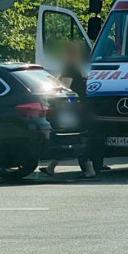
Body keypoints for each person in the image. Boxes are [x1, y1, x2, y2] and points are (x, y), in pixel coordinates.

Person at [40, 40, 97, 179]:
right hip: (81, 106)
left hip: (71, 107)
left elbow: (65, 88)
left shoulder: (69, 68)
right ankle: (51, 167)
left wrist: (52, 86)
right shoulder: (80, 68)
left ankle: (89, 170)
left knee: (69, 137)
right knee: (74, 137)